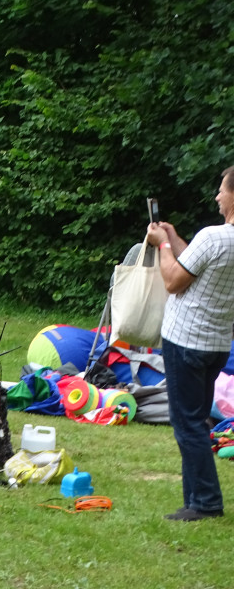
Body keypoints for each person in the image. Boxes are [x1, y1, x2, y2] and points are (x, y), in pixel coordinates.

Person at [146, 166, 234, 521]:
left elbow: (173, 280)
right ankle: (194, 497)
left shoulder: (214, 236)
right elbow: (194, 264)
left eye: (221, 190)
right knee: (196, 419)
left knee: (188, 423)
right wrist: (176, 238)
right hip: (216, 344)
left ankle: (205, 503)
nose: (217, 196)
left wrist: (162, 244)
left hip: (186, 341)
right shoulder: (215, 242)